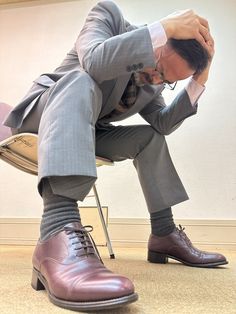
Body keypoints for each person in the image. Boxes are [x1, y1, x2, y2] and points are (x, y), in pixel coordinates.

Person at [4, 0, 228, 311]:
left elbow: (163, 122)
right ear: (160, 41)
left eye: (168, 81)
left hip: (86, 129)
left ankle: (164, 233)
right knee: (81, 79)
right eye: (160, 70)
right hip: (44, 114)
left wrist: (199, 80)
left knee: (149, 137)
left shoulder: (153, 84)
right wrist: (162, 27)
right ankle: (57, 228)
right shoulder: (108, 16)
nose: (158, 81)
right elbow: (94, 62)